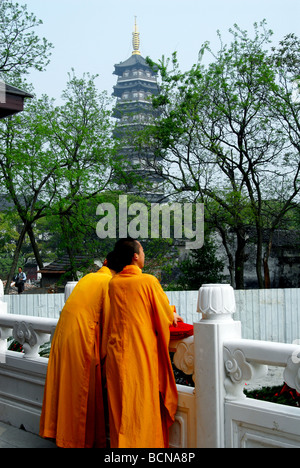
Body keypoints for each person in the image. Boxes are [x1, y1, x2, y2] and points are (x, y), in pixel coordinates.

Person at [39, 251, 121, 448]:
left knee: (66, 389)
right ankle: (73, 441)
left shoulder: (89, 277)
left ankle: (59, 433)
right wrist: (104, 358)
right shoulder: (109, 283)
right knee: (80, 395)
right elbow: (111, 325)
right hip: (82, 339)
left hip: (63, 337)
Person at [106, 238, 182, 448]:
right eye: (143, 250)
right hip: (139, 354)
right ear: (135, 256)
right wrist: (172, 314)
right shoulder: (147, 281)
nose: (145, 254)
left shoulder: (113, 283)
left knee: (120, 408)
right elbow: (163, 313)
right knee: (140, 407)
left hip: (115, 354)